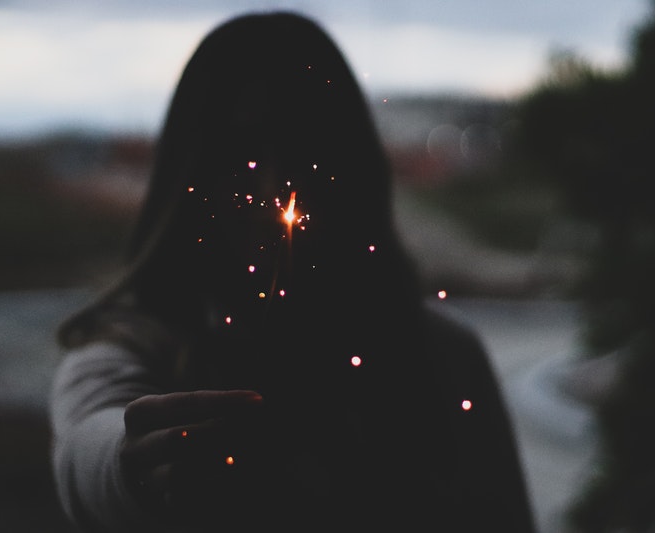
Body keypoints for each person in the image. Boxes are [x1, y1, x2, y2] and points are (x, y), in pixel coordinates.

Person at [49, 11, 535, 533]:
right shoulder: (136, 348)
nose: (273, 189)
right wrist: (133, 463)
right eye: (240, 156)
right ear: (192, 177)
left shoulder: (443, 355)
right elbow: (91, 436)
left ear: (350, 166)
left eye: (304, 151)